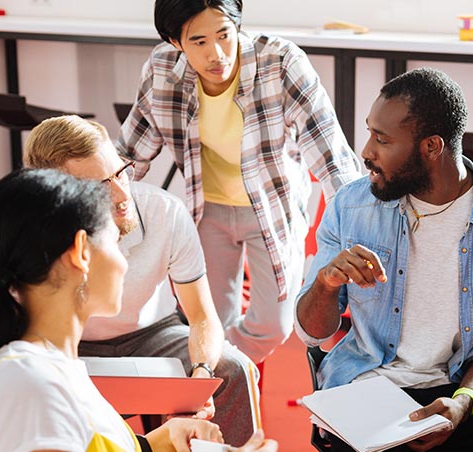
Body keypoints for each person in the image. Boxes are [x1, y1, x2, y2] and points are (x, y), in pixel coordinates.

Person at [295, 67, 473, 451]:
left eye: (382, 139)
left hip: (464, 390)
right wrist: (326, 284)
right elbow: (313, 332)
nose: (367, 151)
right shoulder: (351, 205)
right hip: (367, 385)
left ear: (431, 147)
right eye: (370, 132)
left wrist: (462, 403)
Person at [0, 169, 277, 452]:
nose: (125, 262)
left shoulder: (49, 370)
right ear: (81, 252)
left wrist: (158, 441)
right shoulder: (33, 387)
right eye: (116, 242)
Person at [117, 0, 362, 363]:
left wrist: (360, 226)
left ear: (237, 26)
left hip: (272, 208)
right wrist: (94, 212)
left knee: (273, 326)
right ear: (175, 42)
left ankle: (219, 370)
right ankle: (224, 396)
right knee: (208, 316)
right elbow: (130, 154)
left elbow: (332, 157)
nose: (216, 54)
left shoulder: (280, 62)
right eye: (199, 42)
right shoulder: (162, 69)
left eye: (224, 35)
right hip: (207, 209)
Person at [24, 115, 258, 447]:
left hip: (154, 334)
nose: (122, 194)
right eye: (99, 185)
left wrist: (201, 376)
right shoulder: (33, 231)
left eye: (120, 172)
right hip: (69, 343)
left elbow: (203, 316)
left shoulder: (165, 212)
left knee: (232, 368)